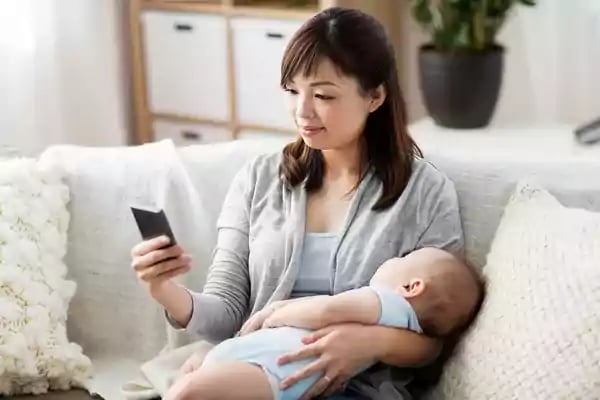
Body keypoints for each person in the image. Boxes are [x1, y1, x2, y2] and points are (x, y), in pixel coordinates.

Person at [130, 7, 466, 399]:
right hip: (260, 369)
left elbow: (437, 337)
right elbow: (227, 315)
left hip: (360, 386)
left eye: (323, 95)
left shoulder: (425, 193)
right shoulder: (257, 181)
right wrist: (164, 289)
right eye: (292, 91)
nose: (302, 111)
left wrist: (368, 343)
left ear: (375, 96)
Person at [165, 248, 482, 400]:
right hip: (267, 366)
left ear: (412, 287)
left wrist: (276, 311)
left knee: (190, 391)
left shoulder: (384, 302)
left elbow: (326, 311)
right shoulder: (397, 320)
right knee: (194, 377)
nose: (392, 259)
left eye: (402, 258)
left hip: (276, 372)